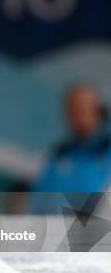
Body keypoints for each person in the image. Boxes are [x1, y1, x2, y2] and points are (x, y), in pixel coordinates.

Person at [30, 84, 111, 213]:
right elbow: (37, 202)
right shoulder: (58, 155)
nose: (79, 115)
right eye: (73, 109)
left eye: (83, 108)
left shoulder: (106, 152)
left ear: (98, 110)